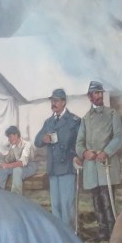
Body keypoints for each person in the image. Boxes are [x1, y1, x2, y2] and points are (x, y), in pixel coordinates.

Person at [75, 80, 122, 241]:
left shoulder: (112, 114)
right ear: (89, 96)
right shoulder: (85, 119)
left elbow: (118, 137)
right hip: (91, 167)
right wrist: (84, 153)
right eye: (96, 93)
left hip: (106, 165)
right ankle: (103, 232)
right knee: (96, 200)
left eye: (101, 92)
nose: (99, 96)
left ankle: (113, 232)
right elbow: (79, 143)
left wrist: (106, 152)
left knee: (108, 200)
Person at [34, 88, 81, 229]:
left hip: (67, 167)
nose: (53, 103)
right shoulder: (48, 122)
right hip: (53, 169)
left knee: (67, 204)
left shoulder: (74, 121)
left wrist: (76, 156)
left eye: (56, 101)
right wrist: (44, 139)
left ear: (64, 102)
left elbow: (81, 143)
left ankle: (69, 234)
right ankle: (59, 234)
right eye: (52, 101)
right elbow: (37, 141)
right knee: (55, 205)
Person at [0, 126, 36, 195]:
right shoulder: (13, 146)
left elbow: (22, 162)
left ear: (16, 135)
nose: (9, 139)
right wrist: (2, 160)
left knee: (17, 170)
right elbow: (8, 160)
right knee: (3, 170)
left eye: (10, 137)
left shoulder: (27, 145)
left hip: (29, 166)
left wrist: (7, 165)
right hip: (17, 166)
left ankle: (16, 195)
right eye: (8, 137)